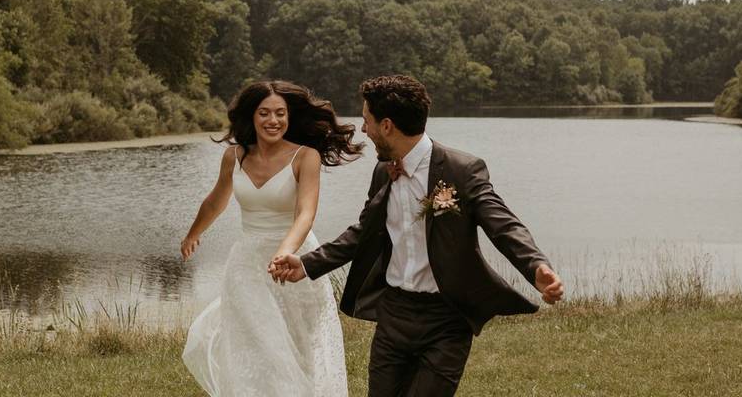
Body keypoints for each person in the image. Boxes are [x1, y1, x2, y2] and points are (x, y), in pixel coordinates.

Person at [271, 74, 564, 396]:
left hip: (447, 319)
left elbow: (503, 224)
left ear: (386, 126)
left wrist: (535, 266)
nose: (363, 129)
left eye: (367, 120)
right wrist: (307, 264)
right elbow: (363, 232)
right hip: (394, 313)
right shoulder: (384, 171)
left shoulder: (462, 170)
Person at [181, 80, 362, 396]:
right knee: (258, 347)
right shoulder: (234, 157)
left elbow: (305, 213)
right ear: (252, 116)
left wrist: (285, 250)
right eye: (264, 113)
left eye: (280, 113)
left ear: (290, 117)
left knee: (298, 351)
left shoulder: (306, 157)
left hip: (294, 263)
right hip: (247, 265)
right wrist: (194, 233)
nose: (273, 121)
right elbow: (215, 201)